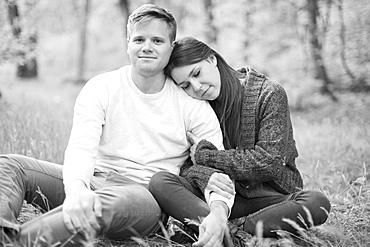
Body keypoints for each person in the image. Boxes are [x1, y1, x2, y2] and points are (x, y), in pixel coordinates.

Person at [0, 6, 227, 246]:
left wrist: (219, 211)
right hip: (95, 180)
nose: (147, 46)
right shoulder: (102, 87)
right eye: (139, 39)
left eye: (157, 40)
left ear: (171, 48)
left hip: (143, 197)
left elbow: (217, 172)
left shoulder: (192, 104)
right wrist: (77, 189)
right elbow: (81, 146)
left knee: (105, 204)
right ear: (128, 43)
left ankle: (17, 244)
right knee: (9, 165)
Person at [149, 37, 331, 245]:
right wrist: (203, 173)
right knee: (160, 182)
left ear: (212, 59)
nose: (197, 87)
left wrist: (207, 157)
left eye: (197, 74)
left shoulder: (269, 93)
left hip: (271, 199)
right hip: (223, 198)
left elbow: (268, 162)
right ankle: (226, 231)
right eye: (186, 85)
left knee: (317, 202)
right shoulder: (194, 107)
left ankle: (233, 231)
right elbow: (186, 166)